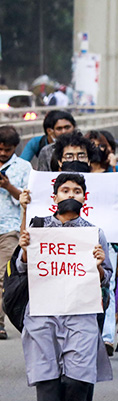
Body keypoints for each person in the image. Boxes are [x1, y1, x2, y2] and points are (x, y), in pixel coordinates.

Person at [17, 173, 114, 401]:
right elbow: (21, 268)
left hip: (80, 315)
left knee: (78, 381)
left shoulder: (94, 233)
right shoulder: (38, 229)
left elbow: (106, 279)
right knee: (47, 384)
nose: (71, 194)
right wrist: (27, 249)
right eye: (65, 190)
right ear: (55, 197)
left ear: (85, 198)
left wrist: (99, 265)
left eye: (77, 191)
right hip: (43, 315)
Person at [0, 125, 30, 340]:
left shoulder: (24, 167)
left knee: (3, 277)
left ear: (15, 148)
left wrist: (8, 186)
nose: (2, 153)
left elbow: (27, 198)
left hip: (9, 228)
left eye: (7, 150)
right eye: (0, 149)